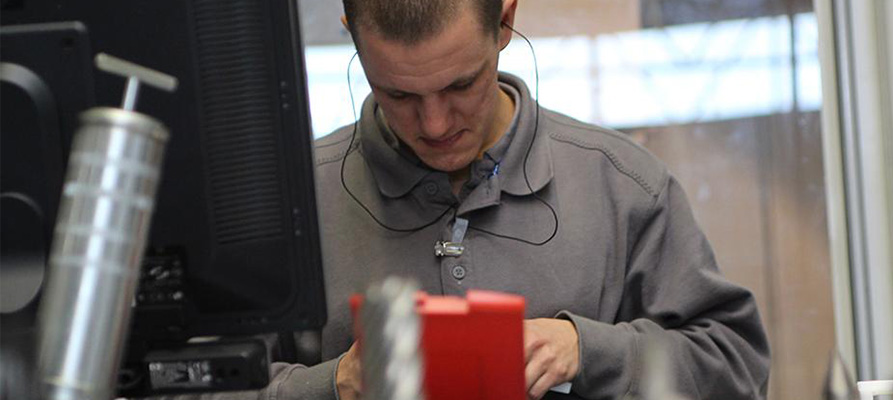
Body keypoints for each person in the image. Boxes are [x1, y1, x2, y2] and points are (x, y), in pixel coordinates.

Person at [263, 0, 770, 399]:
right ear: (350, 32)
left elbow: (736, 371)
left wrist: (588, 352)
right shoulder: (290, 203)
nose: (436, 124)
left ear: (504, 22)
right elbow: (193, 387)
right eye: (399, 95)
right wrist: (332, 387)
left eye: (461, 84)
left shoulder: (623, 188)